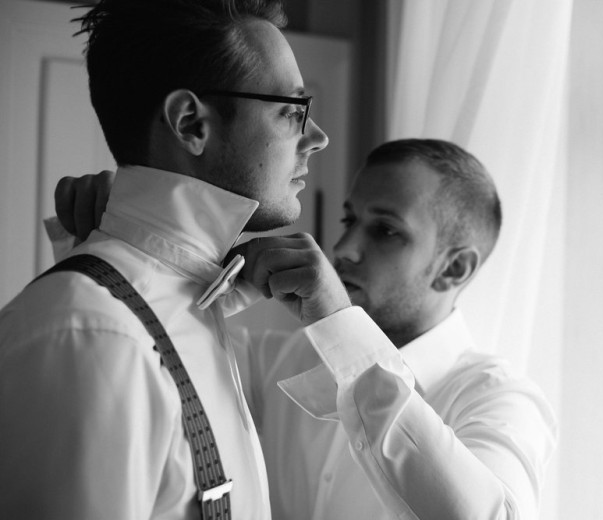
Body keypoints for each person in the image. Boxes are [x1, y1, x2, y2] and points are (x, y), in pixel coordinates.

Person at [54, 139, 558, 519]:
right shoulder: (272, 364)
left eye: (385, 230)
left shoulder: (500, 399)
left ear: (454, 269)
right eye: (349, 220)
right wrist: (111, 239)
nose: (344, 248)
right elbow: (133, 351)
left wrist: (342, 328)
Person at [0, 0, 354, 518]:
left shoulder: (194, 310)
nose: (317, 138)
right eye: (291, 110)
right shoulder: (98, 334)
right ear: (190, 123)